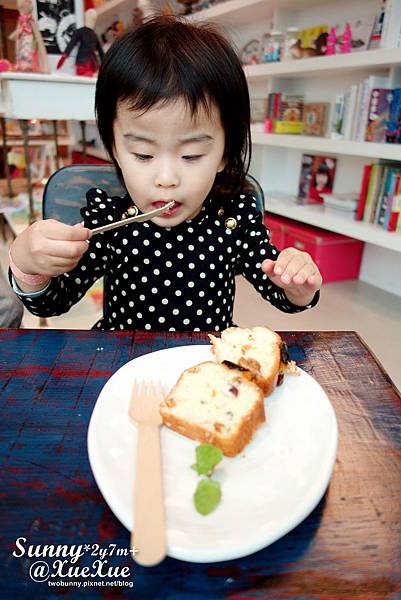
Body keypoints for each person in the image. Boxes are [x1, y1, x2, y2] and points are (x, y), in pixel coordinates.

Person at [8, 15, 322, 333]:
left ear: (224, 154)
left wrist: (297, 283)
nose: (166, 178)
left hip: (204, 367)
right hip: (124, 367)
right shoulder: (108, 221)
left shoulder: (234, 217)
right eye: (143, 154)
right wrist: (27, 266)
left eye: (191, 155)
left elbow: (281, 293)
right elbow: (53, 304)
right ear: (115, 148)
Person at [56, 9, 104, 76]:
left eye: (93, 18)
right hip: (82, 63)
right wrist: (64, 57)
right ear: (85, 18)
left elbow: (101, 52)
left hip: (93, 64)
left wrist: (106, 64)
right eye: (91, 18)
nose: (92, 20)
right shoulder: (80, 32)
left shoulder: (94, 35)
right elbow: (71, 44)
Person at [9, 0, 49, 73]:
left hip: (30, 45)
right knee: (22, 57)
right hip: (22, 45)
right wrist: (19, 31)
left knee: (29, 57)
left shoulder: (30, 20)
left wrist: (45, 66)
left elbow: (39, 40)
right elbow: (14, 37)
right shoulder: (21, 21)